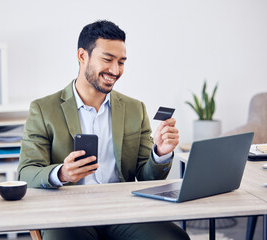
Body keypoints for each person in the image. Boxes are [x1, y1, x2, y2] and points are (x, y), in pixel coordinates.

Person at [18, 20, 190, 240]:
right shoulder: (43, 109)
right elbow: (26, 172)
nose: (115, 70)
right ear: (82, 56)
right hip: (67, 212)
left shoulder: (135, 109)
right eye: (107, 60)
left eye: (121, 62)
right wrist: (62, 173)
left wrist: (160, 152)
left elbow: (146, 176)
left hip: (123, 211)